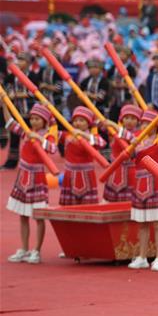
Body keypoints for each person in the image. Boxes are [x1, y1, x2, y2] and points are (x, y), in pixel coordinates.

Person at [4, 104, 56, 264]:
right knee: (23, 215)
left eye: (37, 119)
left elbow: (52, 148)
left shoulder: (47, 135)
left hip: (37, 178)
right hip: (23, 177)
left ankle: (36, 250)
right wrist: (5, 105)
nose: (33, 121)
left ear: (44, 121)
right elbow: (11, 123)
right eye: (32, 118)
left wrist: (39, 138)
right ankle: (24, 248)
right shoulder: (27, 132)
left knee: (38, 216)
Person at [128, 109, 158, 272]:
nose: (146, 126)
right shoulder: (137, 139)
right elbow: (129, 155)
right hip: (141, 185)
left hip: (157, 183)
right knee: (143, 224)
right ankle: (142, 257)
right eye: (144, 123)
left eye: (150, 123)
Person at [58, 106, 105, 206]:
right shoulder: (67, 135)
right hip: (70, 175)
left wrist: (83, 135)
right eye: (75, 120)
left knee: (88, 207)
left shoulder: (92, 137)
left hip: (87, 175)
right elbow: (51, 133)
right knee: (69, 208)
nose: (77, 123)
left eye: (81, 120)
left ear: (88, 124)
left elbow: (102, 143)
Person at [103, 104, 141, 202]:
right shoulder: (113, 131)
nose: (129, 121)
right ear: (122, 119)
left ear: (137, 121)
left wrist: (114, 125)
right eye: (126, 118)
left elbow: (132, 138)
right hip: (115, 169)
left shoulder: (139, 134)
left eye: (133, 118)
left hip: (131, 172)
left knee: (130, 201)